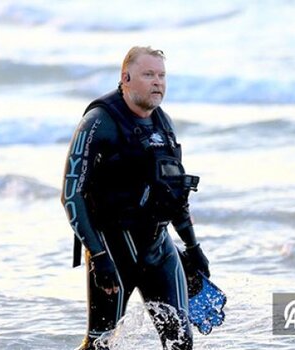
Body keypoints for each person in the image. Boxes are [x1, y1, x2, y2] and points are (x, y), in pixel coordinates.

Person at [61, 46, 210, 350]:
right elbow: (70, 194)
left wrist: (193, 247)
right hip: (113, 251)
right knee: (100, 345)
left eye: (162, 75)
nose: (158, 82)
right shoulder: (99, 121)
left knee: (180, 343)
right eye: (149, 74)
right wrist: (99, 257)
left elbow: (174, 190)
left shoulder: (163, 122)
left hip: (159, 248)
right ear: (126, 78)